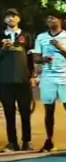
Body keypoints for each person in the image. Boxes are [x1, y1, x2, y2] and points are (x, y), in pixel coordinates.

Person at [32, 10, 66, 152]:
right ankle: (49, 141)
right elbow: (36, 58)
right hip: (48, 77)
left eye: (53, 18)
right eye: (48, 19)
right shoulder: (41, 37)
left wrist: (60, 48)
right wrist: (44, 59)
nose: (50, 21)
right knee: (49, 110)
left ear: (60, 20)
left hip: (64, 76)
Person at [0, 8, 34, 152]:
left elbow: (31, 58)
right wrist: (3, 48)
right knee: (9, 113)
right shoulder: (1, 35)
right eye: (8, 17)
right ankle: (12, 142)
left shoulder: (26, 36)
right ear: (4, 20)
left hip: (23, 80)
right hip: (4, 81)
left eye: (14, 16)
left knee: (25, 112)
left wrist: (32, 76)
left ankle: (27, 141)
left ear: (18, 19)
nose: (11, 19)